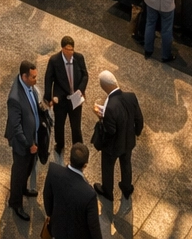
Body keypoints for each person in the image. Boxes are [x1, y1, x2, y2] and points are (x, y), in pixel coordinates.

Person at [90, 69, 141, 205]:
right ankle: (126, 187)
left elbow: (110, 131)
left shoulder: (110, 107)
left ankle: (108, 191)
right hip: (128, 141)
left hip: (113, 147)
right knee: (126, 163)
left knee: (108, 167)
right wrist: (136, 133)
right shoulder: (131, 96)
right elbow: (139, 119)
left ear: (104, 87)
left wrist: (101, 119)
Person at [4, 60, 42, 220]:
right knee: (19, 173)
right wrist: (29, 145)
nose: (36, 80)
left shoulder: (29, 86)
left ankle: (23, 188)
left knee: (28, 168)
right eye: (33, 77)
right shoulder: (14, 98)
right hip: (23, 144)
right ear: (24, 76)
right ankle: (15, 202)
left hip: (33, 138)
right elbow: (16, 127)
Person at [42, 144, 104, 239]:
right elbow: (93, 227)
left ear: (69, 158)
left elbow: (47, 196)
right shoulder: (89, 194)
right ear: (85, 165)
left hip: (56, 229)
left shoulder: (53, 171)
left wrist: (50, 215)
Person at [44, 37, 88, 155]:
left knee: (76, 126)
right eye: (67, 50)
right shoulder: (54, 61)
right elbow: (48, 79)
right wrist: (48, 97)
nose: (70, 52)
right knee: (59, 124)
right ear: (62, 49)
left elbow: (85, 75)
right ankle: (60, 145)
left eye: (72, 50)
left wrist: (80, 90)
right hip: (61, 99)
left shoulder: (79, 58)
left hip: (75, 97)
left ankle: (78, 148)